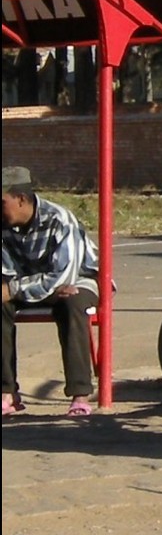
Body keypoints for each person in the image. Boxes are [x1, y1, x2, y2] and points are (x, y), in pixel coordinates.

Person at [2, 166, 100, 417]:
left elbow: (64, 275)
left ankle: (79, 394)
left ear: (20, 199)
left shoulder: (59, 218)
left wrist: (14, 288)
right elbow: (6, 271)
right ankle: (7, 392)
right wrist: (12, 287)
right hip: (32, 284)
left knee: (72, 303)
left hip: (77, 280)